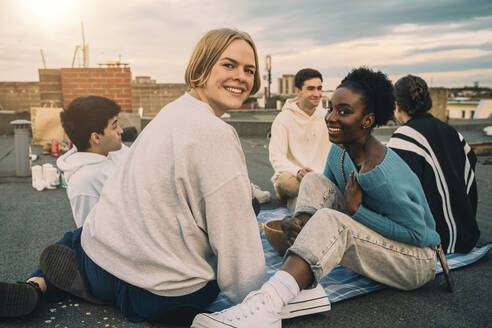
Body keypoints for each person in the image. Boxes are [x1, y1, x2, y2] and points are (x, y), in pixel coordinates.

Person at [0, 28, 267, 325]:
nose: (241, 77)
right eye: (229, 65)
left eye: (249, 70)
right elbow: (234, 234)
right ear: (202, 67)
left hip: (103, 261)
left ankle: (40, 284)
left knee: (74, 240)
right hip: (162, 295)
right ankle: (84, 285)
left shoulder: (172, 112)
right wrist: (256, 295)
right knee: (244, 214)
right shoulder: (217, 134)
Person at [192, 67, 441, 328]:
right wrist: (300, 220)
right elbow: (323, 194)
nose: (331, 117)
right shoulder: (339, 152)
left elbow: (417, 235)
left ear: (367, 120)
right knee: (312, 180)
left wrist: (357, 211)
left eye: (344, 112)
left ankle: (268, 306)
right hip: (382, 242)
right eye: (331, 108)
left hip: (417, 261)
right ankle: (303, 285)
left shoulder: (385, 172)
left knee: (333, 221)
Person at [388, 74, 480, 254]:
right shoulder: (453, 133)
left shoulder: (403, 137)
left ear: (397, 106)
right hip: (467, 235)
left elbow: (398, 196)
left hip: (435, 241)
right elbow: (470, 178)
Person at [57, 96, 129, 228]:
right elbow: (90, 234)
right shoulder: (83, 183)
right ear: (96, 137)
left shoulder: (115, 150)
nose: (121, 130)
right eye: (114, 127)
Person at [268, 68, 331, 210]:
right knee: (286, 183)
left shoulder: (327, 117)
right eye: (311, 89)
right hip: (295, 178)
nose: (317, 94)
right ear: (297, 91)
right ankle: (319, 200)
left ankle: (301, 206)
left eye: (319, 88)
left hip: (321, 178)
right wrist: (297, 171)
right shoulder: (283, 118)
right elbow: (277, 157)